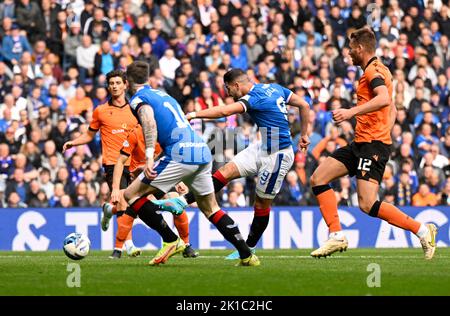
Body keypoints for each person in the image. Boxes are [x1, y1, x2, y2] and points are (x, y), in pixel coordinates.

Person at [309, 27, 437, 260]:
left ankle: (421, 230)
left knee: (367, 204)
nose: (348, 54)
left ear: (360, 48)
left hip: (373, 146)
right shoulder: (379, 69)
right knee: (318, 178)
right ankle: (336, 235)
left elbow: (384, 99)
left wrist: (352, 113)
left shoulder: (373, 71)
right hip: (361, 142)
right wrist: (382, 128)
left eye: (350, 49)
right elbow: (392, 107)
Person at [156, 68, 311, 260]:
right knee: (224, 172)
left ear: (237, 85)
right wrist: (304, 134)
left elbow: (224, 111)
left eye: (229, 90)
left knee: (261, 204)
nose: (229, 94)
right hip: (262, 146)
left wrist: (194, 114)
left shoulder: (253, 98)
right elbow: (304, 104)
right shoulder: (274, 88)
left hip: (278, 156)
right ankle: (181, 202)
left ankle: (249, 248)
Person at [122, 61, 259, 266]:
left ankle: (170, 240)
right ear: (148, 79)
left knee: (130, 194)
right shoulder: (164, 95)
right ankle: (247, 255)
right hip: (201, 152)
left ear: (126, 82)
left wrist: (150, 156)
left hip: (180, 154)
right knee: (211, 208)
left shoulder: (138, 99)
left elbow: (149, 122)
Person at [62, 70, 142, 259]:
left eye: (117, 83)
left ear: (125, 85)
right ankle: (124, 245)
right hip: (113, 163)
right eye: (111, 83)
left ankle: (108, 210)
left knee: (134, 204)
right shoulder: (101, 111)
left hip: (134, 163)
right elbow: (89, 135)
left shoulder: (136, 110)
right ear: (108, 86)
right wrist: (74, 142)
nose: (114, 86)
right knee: (124, 199)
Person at [103, 124, 199, 258]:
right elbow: (120, 161)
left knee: (175, 201)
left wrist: (179, 181)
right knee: (132, 206)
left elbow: (172, 159)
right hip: (139, 179)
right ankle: (118, 249)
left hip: (160, 176)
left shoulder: (164, 133)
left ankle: (186, 245)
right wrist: (115, 188)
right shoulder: (135, 134)